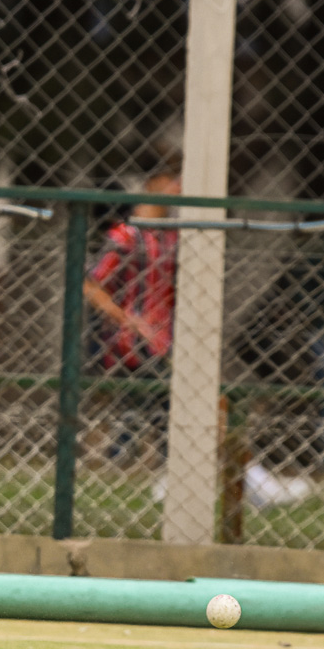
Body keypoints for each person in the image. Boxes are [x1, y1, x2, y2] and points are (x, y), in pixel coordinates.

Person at [83, 171, 181, 466]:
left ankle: (132, 454)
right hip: (131, 335)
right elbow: (91, 283)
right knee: (150, 394)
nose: (179, 189)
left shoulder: (172, 236)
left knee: (148, 400)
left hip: (165, 332)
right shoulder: (127, 236)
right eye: (174, 181)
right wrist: (125, 318)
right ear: (155, 184)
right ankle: (137, 455)